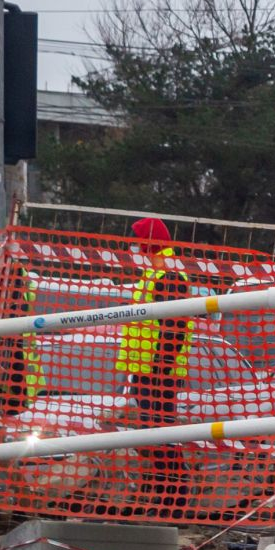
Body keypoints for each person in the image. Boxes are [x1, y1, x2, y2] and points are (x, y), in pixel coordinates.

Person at [116, 217, 192, 514]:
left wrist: (162, 366)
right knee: (154, 435)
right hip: (147, 371)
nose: (134, 248)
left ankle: (174, 500)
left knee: (161, 435)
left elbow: (175, 325)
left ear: (149, 242)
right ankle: (166, 499)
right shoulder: (155, 272)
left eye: (138, 242)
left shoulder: (167, 274)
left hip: (159, 373)